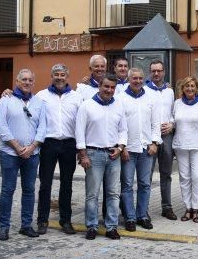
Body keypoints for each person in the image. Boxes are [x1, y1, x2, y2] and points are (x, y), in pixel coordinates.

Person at [0, 68, 47, 241]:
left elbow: (43, 127)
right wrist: (17, 147)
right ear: (17, 81)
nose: (27, 82)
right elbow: (1, 127)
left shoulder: (39, 102)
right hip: (10, 153)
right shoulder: (6, 100)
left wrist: (32, 147)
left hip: (32, 154)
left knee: (29, 190)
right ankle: (4, 226)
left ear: (33, 82)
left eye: (30, 80)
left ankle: (26, 225)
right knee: (7, 190)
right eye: (23, 79)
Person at [75, 74, 127, 240]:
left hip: (113, 154)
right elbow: (79, 132)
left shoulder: (118, 105)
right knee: (92, 194)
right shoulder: (87, 106)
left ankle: (111, 227)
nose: (109, 90)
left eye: (112, 87)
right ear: (99, 86)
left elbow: (123, 130)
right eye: (106, 87)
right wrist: (83, 155)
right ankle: (91, 226)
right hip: (93, 154)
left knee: (113, 193)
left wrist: (120, 147)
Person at [34, 64, 83, 236]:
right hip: (49, 143)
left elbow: (81, 122)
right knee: (45, 183)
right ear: (51, 76)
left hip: (69, 144)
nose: (59, 77)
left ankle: (66, 220)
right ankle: (42, 220)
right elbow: (27, 109)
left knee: (67, 184)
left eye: (62, 74)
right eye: (56, 74)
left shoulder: (77, 97)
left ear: (67, 76)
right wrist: (8, 93)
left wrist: (81, 148)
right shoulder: (41, 96)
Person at [116, 67, 161, 232]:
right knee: (127, 185)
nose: (137, 81)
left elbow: (156, 123)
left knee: (144, 184)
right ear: (128, 79)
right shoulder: (120, 98)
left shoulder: (150, 98)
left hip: (146, 149)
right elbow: (119, 125)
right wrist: (123, 146)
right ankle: (129, 218)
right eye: (134, 78)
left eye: (140, 78)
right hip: (128, 149)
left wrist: (155, 143)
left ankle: (142, 215)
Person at [171, 76, 198, 223]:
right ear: (182, 88)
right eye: (186, 86)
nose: (189, 88)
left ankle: (196, 209)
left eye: (192, 86)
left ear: (196, 88)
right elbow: (173, 122)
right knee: (184, 177)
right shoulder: (177, 104)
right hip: (180, 145)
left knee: (197, 176)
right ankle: (188, 208)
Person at [145, 59, 177, 221]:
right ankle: (144, 209)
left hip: (167, 136)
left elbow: (173, 112)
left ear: (164, 72)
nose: (156, 73)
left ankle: (167, 207)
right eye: (153, 71)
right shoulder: (144, 90)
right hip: (151, 138)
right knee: (147, 175)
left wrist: (172, 124)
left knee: (166, 173)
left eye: (159, 71)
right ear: (150, 72)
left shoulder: (169, 91)